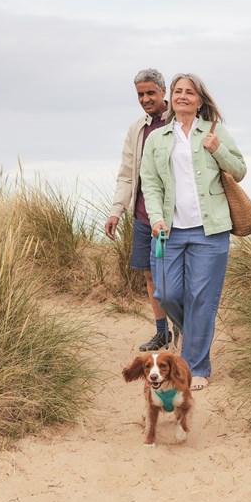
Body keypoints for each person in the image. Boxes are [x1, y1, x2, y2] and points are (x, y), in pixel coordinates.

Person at [139, 73, 247, 390]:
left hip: (210, 231)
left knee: (202, 300)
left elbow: (239, 170)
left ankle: (196, 366)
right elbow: (151, 183)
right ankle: (191, 330)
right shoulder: (157, 138)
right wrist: (156, 218)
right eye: (177, 91)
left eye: (189, 92)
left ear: (200, 100)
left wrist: (218, 150)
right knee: (167, 292)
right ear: (170, 97)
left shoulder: (215, 132)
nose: (182, 96)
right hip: (169, 233)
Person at [105, 68, 172, 352]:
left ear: (163, 91)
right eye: (140, 95)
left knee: (175, 274)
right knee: (149, 274)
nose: (145, 99)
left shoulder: (179, 120)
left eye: (150, 93)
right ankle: (162, 332)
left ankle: (182, 327)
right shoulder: (137, 129)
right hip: (143, 215)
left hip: (173, 215)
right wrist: (116, 211)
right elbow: (126, 174)